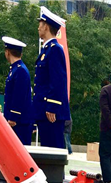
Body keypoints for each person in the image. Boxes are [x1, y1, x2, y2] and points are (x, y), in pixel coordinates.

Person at [34, 6, 70, 149]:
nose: (38, 28)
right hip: (44, 109)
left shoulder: (55, 50)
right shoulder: (47, 50)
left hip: (51, 112)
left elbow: (58, 80)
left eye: (40, 24)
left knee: (54, 151)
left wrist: (52, 106)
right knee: (47, 152)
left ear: (46, 27)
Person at [2, 36, 34, 145]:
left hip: (19, 122)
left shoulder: (20, 70)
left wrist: (13, 116)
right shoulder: (16, 69)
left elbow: (19, 96)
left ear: (7, 52)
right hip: (16, 120)